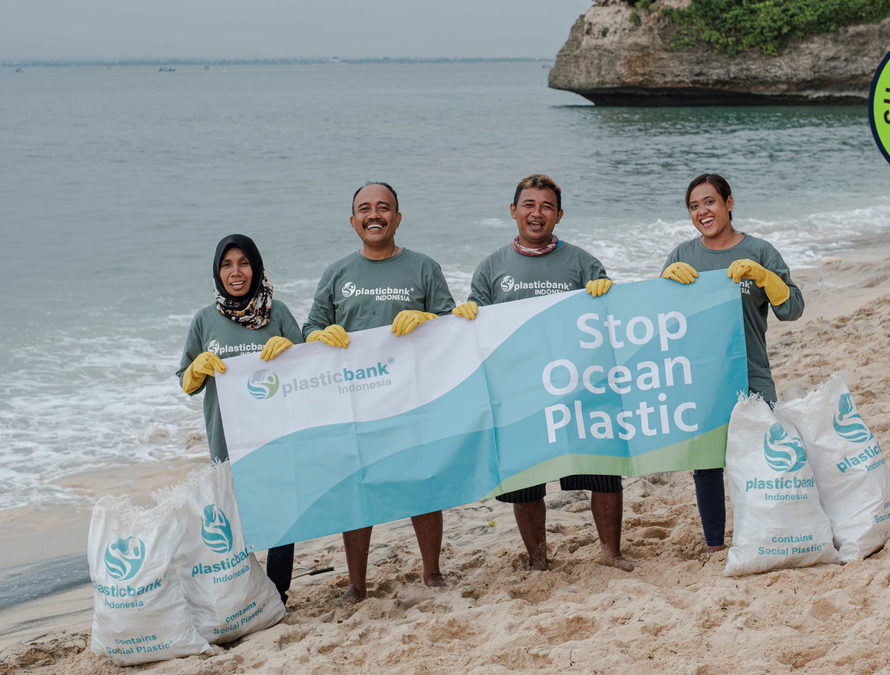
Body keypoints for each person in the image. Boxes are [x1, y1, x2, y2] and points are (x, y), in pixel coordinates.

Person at [453, 173, 634, 572]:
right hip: (519, 391)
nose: (537, 214)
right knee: (525, 479)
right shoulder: (491, 267)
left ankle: (612, 552)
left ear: (559, 215)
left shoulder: (582, 262)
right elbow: (476, 330)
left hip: (579, 386)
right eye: (529, 205)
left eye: (547, 207)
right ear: (514, 211)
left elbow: (608, 320)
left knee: (603, 469)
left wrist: (608, 293)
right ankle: (538, 560)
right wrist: (466, 315)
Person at [301, 181, 457, 603]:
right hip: (355, 402)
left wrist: (425, 318)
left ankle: (432, 572)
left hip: (413, 398)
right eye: (365, 209)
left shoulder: (424, 267)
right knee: (359, 488)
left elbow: (452, 325)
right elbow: (310, 328)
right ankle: (356, 583)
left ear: (398, 218)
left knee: (422, 483)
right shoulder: (337, 273)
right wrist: (322, 334)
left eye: (383, 208)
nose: (375, 215)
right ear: (353, 221)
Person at [659, 173, 805, 552]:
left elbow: (792, 309)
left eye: (709, 201)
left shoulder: (759, 250)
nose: (702, 211)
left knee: (764, 456)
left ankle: (766, 535)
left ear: (729, 203)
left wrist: (765, 276)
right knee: (707, 464)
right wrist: (663, 285)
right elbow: (660, 322)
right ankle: (715, 545)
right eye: (694, 206)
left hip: (751, 370)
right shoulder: (682, 255)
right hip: (701, 375)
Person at [177, 234, 304, 605]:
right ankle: (242, 594)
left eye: (244, 263)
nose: (236, 272)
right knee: (232, 520)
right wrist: (198, 367)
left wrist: (293, 351)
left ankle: (278, 594)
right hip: (227, 438)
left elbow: (308, 372)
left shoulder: (277, 312)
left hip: (276, 434)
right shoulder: (205, 320)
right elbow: (187, 384)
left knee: (281, 518)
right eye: (227, 264)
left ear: (256, 267)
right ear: (217, 272)